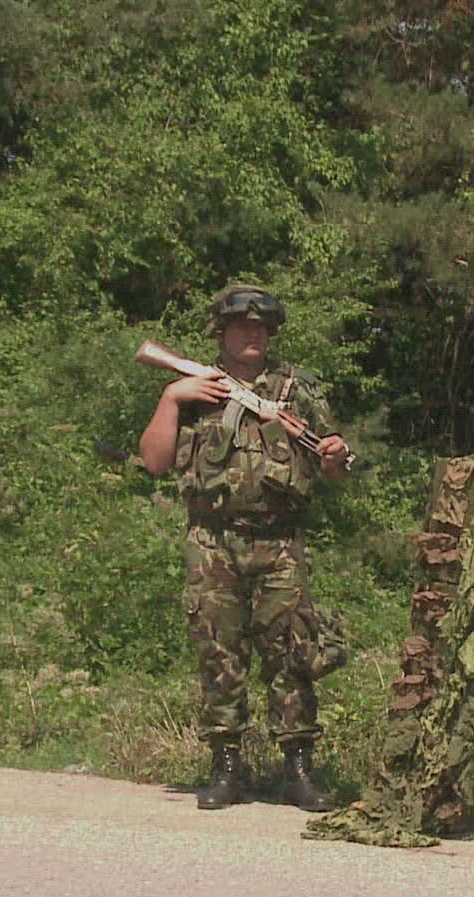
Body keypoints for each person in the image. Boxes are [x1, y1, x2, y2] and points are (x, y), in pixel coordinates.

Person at [139, 284, 352, 812]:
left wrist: (333, 454)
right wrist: (172, 397)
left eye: (260, 326)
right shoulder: (196, 388)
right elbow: (155, 463)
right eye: (241, 325)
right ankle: (226, 768)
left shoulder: (296, 390)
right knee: (219, 654)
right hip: (212, 541)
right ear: (221, 331)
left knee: (293, 656)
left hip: (279, 541)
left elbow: (333, 465)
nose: (251, 334)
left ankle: (297, 770)